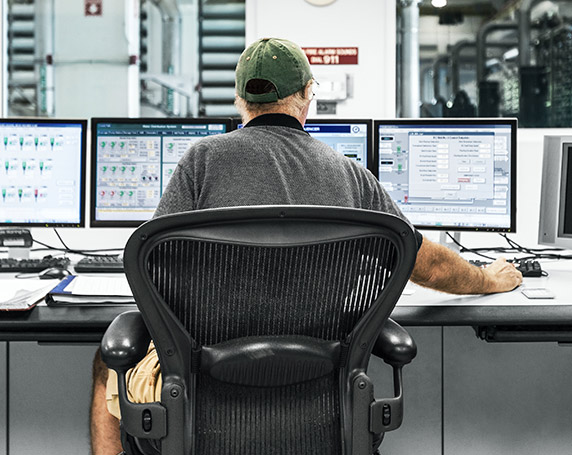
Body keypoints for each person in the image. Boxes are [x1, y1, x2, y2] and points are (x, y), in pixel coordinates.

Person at [90, 37, 522, 454]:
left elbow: (154, 268)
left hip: (200, 411)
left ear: (241, 100)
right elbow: (425, 263)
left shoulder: (200, 161)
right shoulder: (350, 176)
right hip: (325, 415)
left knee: (108, 359)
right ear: (307, 94)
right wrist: (487, 279)